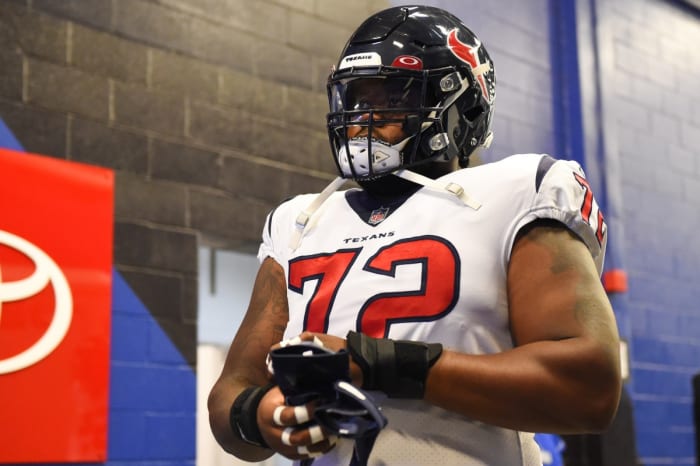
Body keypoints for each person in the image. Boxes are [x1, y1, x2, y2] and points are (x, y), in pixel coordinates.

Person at [208, 5, 622, 465]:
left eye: (388, 98)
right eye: (355, 100)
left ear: (462, 105)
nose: (362, 118)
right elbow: (229, 397)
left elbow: (590, 388)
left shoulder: (521, 189)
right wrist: (264, 416)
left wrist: (377, 363)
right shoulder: (301, 219)